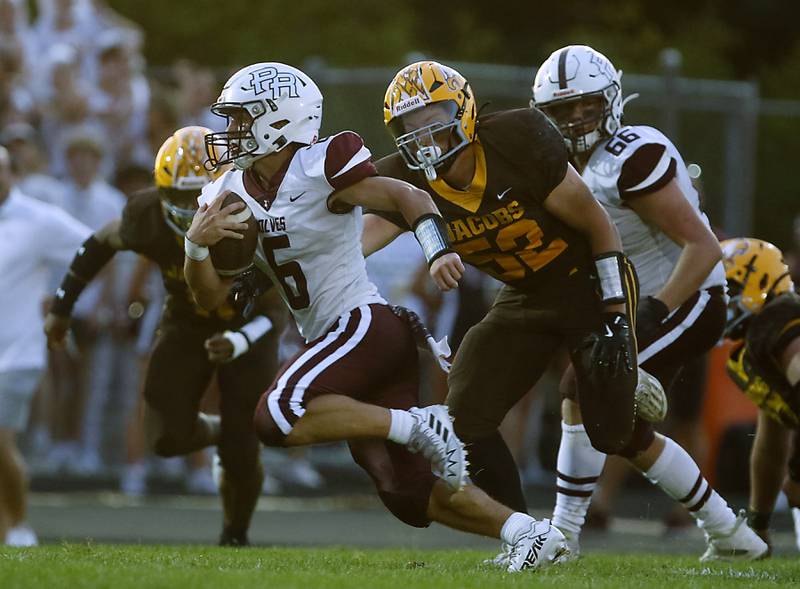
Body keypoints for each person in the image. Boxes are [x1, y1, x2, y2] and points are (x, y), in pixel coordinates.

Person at [185, 61, 569, 571]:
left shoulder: (319, 164)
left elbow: (408, 195)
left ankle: (414, 424)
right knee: (406, 493)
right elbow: (211, 299)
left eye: (241, 118)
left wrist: (436, 251)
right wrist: (195, 247)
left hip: (364, 325)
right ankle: (529, 534)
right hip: (339, 340)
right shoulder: (227, 193)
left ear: (277, 120)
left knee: (276, 415)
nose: (228, 131)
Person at [366, 58, 651, 544]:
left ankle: (629, 386)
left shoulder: (514, 141)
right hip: (525, 295)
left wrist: (615, 317)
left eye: (434, 118)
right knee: (465, 416)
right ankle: (528, 538)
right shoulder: (406, 181)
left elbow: (597, 225)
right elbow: (356, 246)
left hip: (584, 279)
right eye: (410, 126)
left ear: (464, 110)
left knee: (610, 432)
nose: (424, 134)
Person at [531, 44, 767, 561]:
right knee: (620, 432)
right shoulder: (567, 168)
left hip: (689, 298)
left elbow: (702, 247)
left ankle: (563, 536)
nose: (575, 118)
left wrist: (653, 314)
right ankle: (730, 534)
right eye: (562, 109)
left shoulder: (631, 154)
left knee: (581, 385)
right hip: (636, 306)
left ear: (611, 100)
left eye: (586, 105)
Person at [44, 126, 283, 546]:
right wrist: (63, 308)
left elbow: (273, 309)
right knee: (165, 438)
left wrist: (241, 340)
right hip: (186, 321)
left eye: (199, 197)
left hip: (248, 324)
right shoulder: (148, 214)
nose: (192, 210)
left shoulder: (254, 215)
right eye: (179, 197)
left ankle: (235, 534)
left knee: (242, 450)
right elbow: (100, 242)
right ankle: (219, 430)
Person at [0, 145, 92, 545]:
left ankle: (19, 525)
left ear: (13, 174)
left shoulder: (37, 219)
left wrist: (62, 299)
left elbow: (93, 247)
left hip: (16, 355)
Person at [721, 238, 800, 554]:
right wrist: (759, 523)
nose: (719, 302)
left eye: (727, 290)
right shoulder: (760, 343)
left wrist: (796, 475)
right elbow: (771, 443)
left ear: (759, 280)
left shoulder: (780, 317)